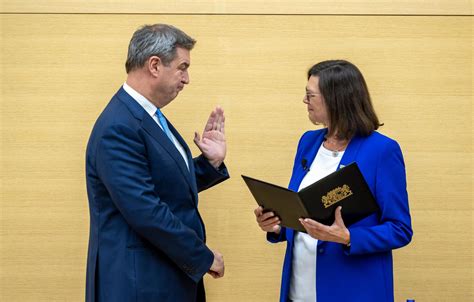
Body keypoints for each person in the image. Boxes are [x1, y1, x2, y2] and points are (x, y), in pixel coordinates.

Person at [85, 24, 229, 302]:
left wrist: (209, 165)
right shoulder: (119, 126)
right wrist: (202, 256)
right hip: (139, 283)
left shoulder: (145, 116)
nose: (187, 79)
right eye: (182, 67)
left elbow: (161, 184)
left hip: (161, 276)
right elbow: (145, 210)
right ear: (154, 65)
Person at [254, 60, 413, 302]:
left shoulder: (382, 151)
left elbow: (400, 230)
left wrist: (348, 238)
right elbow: (303, 210)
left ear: (335, 99)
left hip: (353, 290)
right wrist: (276, 225)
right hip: (299, 289)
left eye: (310, 95)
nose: (304, 101)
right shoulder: (308, 142)